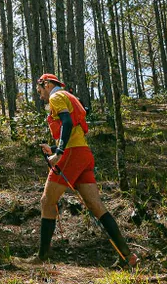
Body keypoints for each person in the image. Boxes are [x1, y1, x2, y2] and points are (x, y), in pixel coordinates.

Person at [29, 73, 138, 267]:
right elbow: (74, 131)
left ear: (47, 85)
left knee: (47, 201)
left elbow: (67, 123)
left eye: (40, 91)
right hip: (83, 153)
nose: (41, 96)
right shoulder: (70, 97)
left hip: (72, 154)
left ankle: (42, 257)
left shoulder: (56, 97)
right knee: (96, 205)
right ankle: (127, 256)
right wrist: (54, 148)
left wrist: (59, 152)